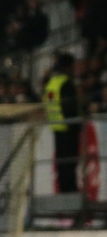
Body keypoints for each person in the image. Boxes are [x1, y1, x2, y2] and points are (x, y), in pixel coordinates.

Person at [44, 54, 80, 193]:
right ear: (68, 66)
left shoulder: (52, 83)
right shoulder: (66, 83)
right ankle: (70, 190)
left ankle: (64, 189)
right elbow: (69, 107)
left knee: (62, 163)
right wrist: (76, 126)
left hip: (56, 127)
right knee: (70, 163)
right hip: (68, 129)